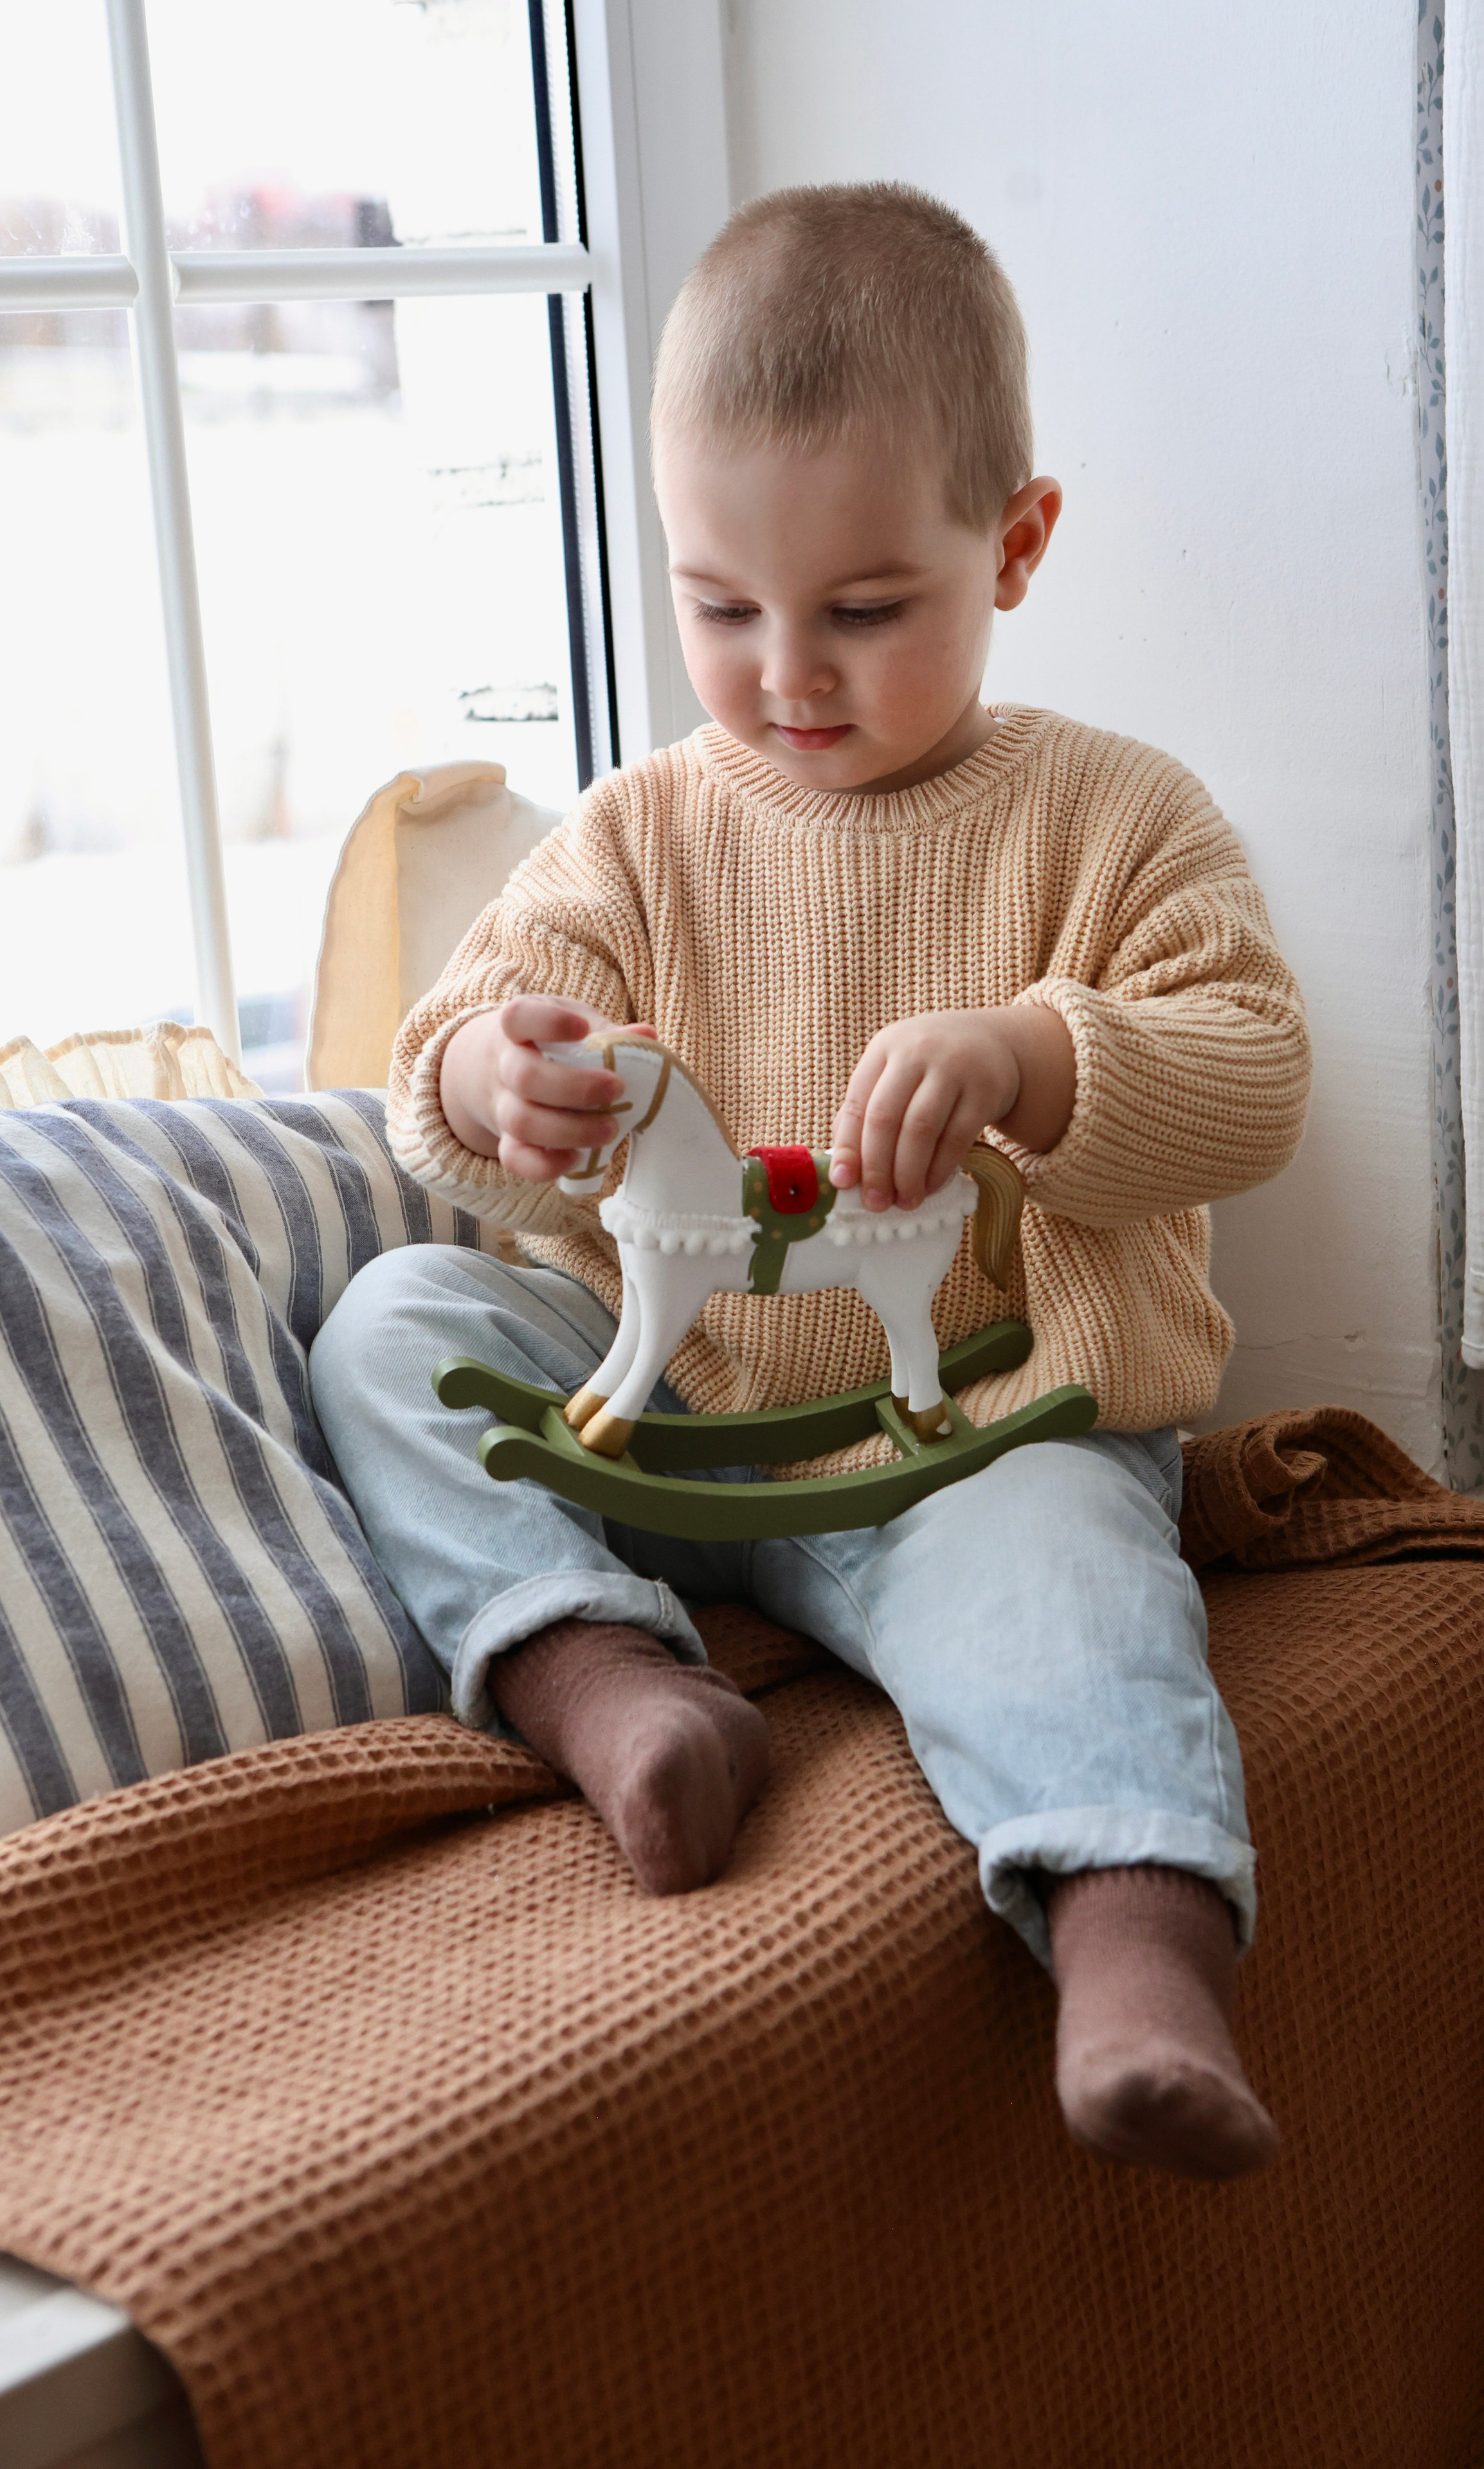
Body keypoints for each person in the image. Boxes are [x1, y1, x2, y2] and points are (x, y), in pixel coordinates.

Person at [310, 182, 1311, 2181]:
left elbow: (1255, 1076)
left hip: (985, 1436)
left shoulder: (1109, 816)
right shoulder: (637, 832)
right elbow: (445, 1063)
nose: (784, 673)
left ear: (1014, 543)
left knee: (1074, 1594)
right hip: (658, 1417)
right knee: (393, 1321)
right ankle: (607, 1690)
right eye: (718, 607)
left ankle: (1135, 1957)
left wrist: (1038, 1055)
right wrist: (503, 1087)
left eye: (864, 610)